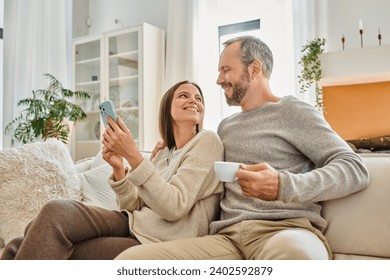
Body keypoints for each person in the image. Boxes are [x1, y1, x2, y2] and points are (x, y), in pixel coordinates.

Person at [114, 36, 369, 260]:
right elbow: (195, 160)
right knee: (131, 261)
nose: (218, 80)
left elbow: (354, 168)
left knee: (296, 257)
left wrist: (282, 184)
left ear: (254, 68)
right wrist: (167, 152)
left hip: (283, 231)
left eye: (226, 70)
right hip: (226, 239)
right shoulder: (225, 127)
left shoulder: (293, 112)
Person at [0, 80, 224, 260]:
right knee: (40, 225)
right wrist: (119, 168)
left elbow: (175, 206)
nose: (194, 101)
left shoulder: (207, 141)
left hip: (160, 239)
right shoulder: (165, 153)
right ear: (167, 107)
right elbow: (133, 205)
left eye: (198, 98)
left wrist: (134, 156)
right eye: (184, 95)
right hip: (132, 223)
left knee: (62, 247)